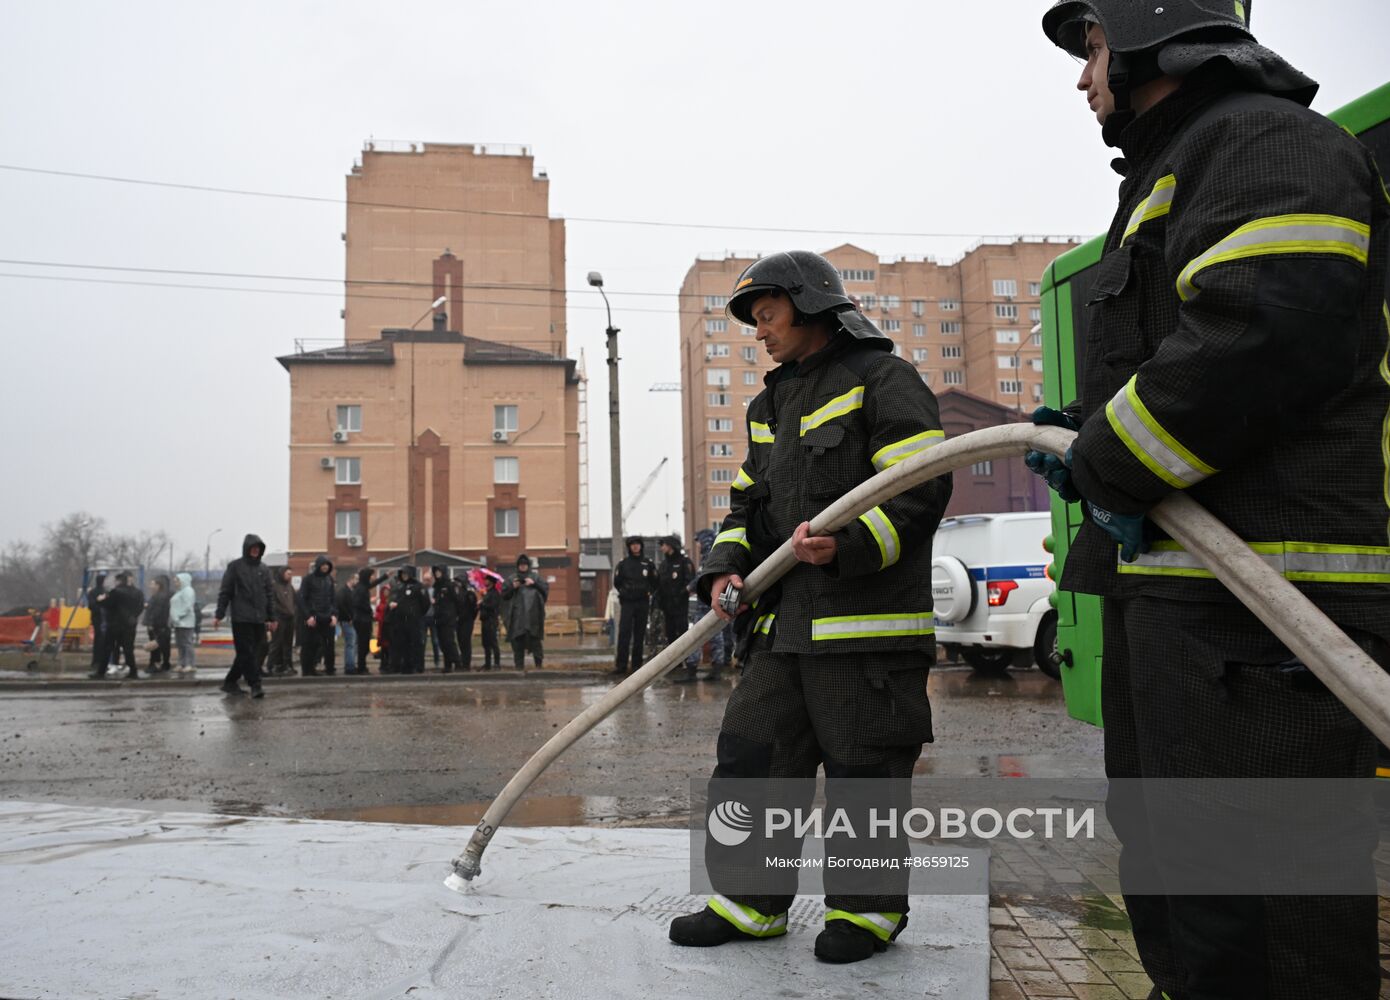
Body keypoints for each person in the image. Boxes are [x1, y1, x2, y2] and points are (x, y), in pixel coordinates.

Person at [1031, 5, 1390, 997]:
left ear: (1155, 34)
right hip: (1185, 608)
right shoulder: (1180, 167)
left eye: (1092, 48)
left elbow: (1261, 331)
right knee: (1178, 878)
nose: (1081, 78)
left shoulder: (1266, 143)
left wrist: (1106, 459)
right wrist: (1089, 429)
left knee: (1269, 914)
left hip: (1263, 618)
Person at [667, 251, 952, 963]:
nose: (758, 333)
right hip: (783, 629)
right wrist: (723, 569)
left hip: (865, 631)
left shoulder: (885, 381)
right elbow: (746, 508)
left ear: (811, 305)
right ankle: (749, 902)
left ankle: (867, 913)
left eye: (767, 316)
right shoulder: (769, 406)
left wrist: (848, 544)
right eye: (754, 321)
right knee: (753, 753)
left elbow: (919, 487)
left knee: (862, 769)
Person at [214, 534, 277, 697]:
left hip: (259, 618)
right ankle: (255, 684)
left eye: (258, 548)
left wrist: (272, 617)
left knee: (252, 651)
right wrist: (219, 613)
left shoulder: (264, 569)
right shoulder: (235, 567)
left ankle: (230, 682)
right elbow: (225, 591)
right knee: (246, 652)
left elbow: (269, 594)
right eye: (253, 548)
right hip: (241, 618)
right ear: (247, 548)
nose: (255, 551)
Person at [685, 529, 734, 682]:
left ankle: (703, 670)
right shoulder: (711, 555)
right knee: (714, 635)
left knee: (704, 635)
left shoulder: (710, 556)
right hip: (706, 603)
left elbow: (703, 577)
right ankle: (715, 668)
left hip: (707, 604)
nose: (698, 545)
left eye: (698, 541)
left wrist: (689, 587)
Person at [611, 536, 655, 676]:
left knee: (639, 634)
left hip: (642, 602)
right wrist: (625, 592)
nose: (635, 547)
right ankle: (621, 665)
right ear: (629, 547)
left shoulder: (647, 563)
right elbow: (617, 582)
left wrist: (648, 592)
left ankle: (637, 666)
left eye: (637, 544)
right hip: (628, 602)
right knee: (624, 633)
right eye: (632, 545)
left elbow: (655, 581)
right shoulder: (624, 564)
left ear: (641, 546)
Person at [656, 535, 698, 682]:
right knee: (670, 634)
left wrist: (681, 594)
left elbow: (691, 581)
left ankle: (688, 661)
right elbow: (659, 584)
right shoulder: (663, 564)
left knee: (682, 633)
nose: (662, 548)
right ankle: (675, 663)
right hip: (667, 606)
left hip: (680, 605)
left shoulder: (684, 562)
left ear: (671, 546)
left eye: (664, 544)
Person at [501, 555, 548, 670]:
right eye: (521, 565)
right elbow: (503, 596)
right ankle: (519, 667)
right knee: (518, 643)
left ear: (528, 565)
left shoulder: (536, 578)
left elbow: (545, 592)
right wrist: (513, 587)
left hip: (533, 617)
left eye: (525, 565)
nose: (523, 567)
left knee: (535, 642)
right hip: (517, 618)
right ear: (518, 566)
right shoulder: (511, 579)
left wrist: (534, 584)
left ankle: (538, 666)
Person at [297, 555, 338, 676]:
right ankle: (307, 670)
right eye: (323, 564)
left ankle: (329, 669)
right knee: (309, 644)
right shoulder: (308, 579)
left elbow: (333, 599)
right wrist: (308, 616)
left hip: (327, 616)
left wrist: (335, 615)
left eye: (327, 565)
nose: (325, 567)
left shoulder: (329, 580)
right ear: (318, 565)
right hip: (312, 617)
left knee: (328, 644)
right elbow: (301, 599)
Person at [388, 566, 430, 674]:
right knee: (404, 644)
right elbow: (396, 600)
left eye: (406, 574)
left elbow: (425, 603)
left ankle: (418, 666)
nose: (404, 576)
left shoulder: (418, 586)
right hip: (402, 621)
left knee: (416, 644)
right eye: (402, 574)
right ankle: (406, 666)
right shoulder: (400, 587)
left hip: (414, 621)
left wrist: (417, 613)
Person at [107, 571, 145, 679]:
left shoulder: (136, 592)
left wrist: (133, 616)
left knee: (127, 647)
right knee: (117, 646)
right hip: (123, 622)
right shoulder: (120, 591)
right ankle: (117, 664)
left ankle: (130, 667)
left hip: (126, 623)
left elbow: (140, 606)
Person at [429, 566, 463, 673]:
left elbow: (457, 600)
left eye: (439, 572)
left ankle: (458, 663)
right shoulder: (437, 586)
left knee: (449, 641)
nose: (437, 574)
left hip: (448, 617)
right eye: (436, 572)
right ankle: (447, 664)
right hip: (438, 617)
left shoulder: (450, 585)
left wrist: (454, 614)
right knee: (442, 642)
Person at [266, 566, 298, 676]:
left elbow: (295, 600)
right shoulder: (274, 586)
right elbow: (272, 603)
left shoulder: (289, 587)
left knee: (288, 644)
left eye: (291, 574)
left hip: (290, 618)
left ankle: (288, 665)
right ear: (282, 574)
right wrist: (274, 617)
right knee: (276, 643)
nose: (290, 576)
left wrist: (293, 611)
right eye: (288, 574)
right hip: (279, 618)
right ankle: (271, 666)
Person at [169, 572, 197, 675]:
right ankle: (182, 663)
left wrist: (178, 616)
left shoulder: (188, 591)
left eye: (177, 580)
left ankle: (190, 664)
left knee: (187, 644)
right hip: (178, 623)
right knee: (180, 644)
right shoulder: (179, 591)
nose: (175, 582)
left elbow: (188, 606)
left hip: (186, 622)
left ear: (183, 580)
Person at [350, 567, 376, 675]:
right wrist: (369, 610)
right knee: (363, 644)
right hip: (362, 620)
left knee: (364, 644)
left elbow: (372, 584)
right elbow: (357, 603)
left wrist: (386, 576)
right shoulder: (361, 589)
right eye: (371, 576)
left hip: (363, 619)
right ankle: (361, 666)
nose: (372, 578)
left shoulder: (363, 586)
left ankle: (362, 665)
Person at [144, 575, 172, 673]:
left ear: (158, 585)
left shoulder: (159, 597)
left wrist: (151, 623)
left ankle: (156, 664)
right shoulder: (159, 596)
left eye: (152, 584)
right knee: (163, 645)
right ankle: (164, 664)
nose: (150, 586)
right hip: (162, 625)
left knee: (156, 646)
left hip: (158, 625)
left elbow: (156, 612)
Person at [86, 572, 110, 679]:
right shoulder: (104, 592)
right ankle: (99, 661)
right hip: (102, 618)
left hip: (98, 619)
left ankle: (97, 661)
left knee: (99, 640)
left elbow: (91, 605)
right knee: (103, 641)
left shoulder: (93, 592)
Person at [336, 572, 358, 674]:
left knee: (351, 643)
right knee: (351, 644)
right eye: (356, 579)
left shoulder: (350, 591)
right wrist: (349, 618)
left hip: (349, 620)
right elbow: (340, 605)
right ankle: (350, 667)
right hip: (347, 621)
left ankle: (350, 664)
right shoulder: (343, 591)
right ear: (351, 579)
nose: (357, 582)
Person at [455, 574, 478, 670]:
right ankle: (462, 661)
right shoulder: (457, 594)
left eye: (459, 582)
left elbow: (474, 608)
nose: (457, 584)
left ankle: (466, 663)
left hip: (467, 621)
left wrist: (471, 618)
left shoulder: (469, 593)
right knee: (460, 641)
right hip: (459, 621)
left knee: (465, 642)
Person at [478, 579, 502, 670]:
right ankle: (487, 664)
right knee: (486, 643)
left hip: (491, 621)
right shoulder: (487, 593)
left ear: (492, 582)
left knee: (493, 642)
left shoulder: (495, 593)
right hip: (485, 620)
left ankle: (497, 663)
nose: (485, 581)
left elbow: (493, 606)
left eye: (487, 580)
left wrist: (482, 603)